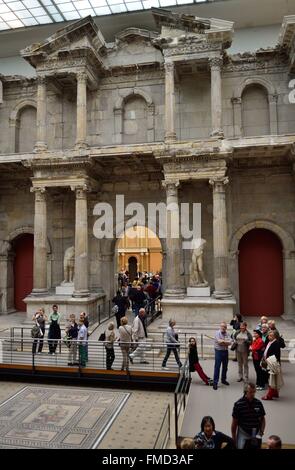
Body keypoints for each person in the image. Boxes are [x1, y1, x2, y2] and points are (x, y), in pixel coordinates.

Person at [231, 382, 266, 449]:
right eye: (250, 392)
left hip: (256, 433)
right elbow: (234, 423)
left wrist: (261, 431)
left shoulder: (258, 403)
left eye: (254, 392)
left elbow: (263, 419)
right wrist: (234, 438)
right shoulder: (238, 404)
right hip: (243, 433)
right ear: (245, 392)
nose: (253, 394)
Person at [261, 330, 283, 400]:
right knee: (273, 379)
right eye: (269, 335)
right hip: (268, 361)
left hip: (272, 363)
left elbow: (275, 355)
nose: (269, 337)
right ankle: (275, 393)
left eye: (271, 336)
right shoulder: (270, 342)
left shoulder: (276, 343)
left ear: (275, 336)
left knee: (272, 380)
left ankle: (269, 395)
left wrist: (267, 359)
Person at [213, 322, 232, 390]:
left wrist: (223, 342)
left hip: (225, 352)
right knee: (217, 367)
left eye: (224, 327)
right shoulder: (217, 333)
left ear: (226, 328)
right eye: (222, 326)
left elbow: (230, 342)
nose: (223, 328)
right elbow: (219, 342)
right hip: (218, 352)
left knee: (225, 367)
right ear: (220, 327)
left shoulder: (227, 334)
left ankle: (223, 380)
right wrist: (225, 342)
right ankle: (215, 383)